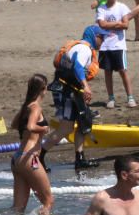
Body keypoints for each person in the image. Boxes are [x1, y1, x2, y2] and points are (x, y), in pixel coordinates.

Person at [42, 26, 105, 171]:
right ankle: (39, 156)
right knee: (66, 128)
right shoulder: (84, 49)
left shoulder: (82, 47)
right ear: (94, 36)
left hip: (71, 90)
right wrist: (86, 86)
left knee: (84, 122)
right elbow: (77, 66)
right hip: (67, 92)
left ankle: (80, 159)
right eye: (102, 37)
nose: (103, 41)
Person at [96, 0, 139, 109]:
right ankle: (111, 98)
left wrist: (112, 25)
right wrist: (117, 24)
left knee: (123, 71)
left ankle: (130, 98)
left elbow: (125, 25)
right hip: (105, 46)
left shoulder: (122, 7)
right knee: (107, 72)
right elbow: (102, 24)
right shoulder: (101, 8)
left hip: (118, 46)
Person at [10, 74, 52, 215]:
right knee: (48, 202)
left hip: (17, 159)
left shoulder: (25, 107)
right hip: (30, 158)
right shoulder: (35, 108)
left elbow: (14, 125)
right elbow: (31, 126)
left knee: (18, 209)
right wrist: (44, 129)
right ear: (43, 89)